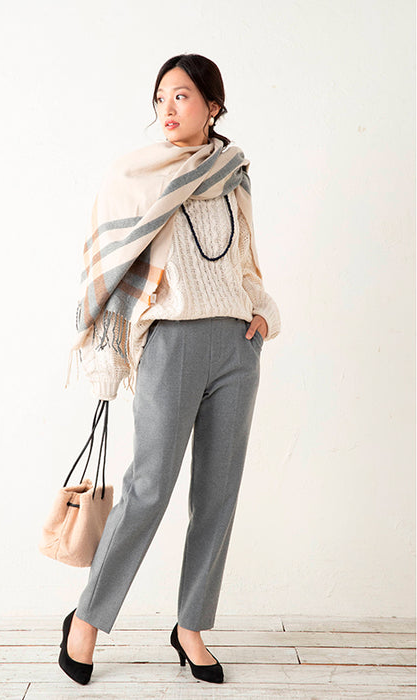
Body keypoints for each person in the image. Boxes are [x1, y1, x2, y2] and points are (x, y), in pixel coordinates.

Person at [58, 53, 281, 686]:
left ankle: (191, 627)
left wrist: (262, 315)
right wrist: (109, 349)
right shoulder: (137, 177)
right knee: (149, 488)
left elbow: (244, 261)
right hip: (170, 344)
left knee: (218, 493)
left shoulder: (232, 175)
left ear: (213, 106)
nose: (167, 109)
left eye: (180, 96)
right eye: (160, 98)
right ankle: (86, 620)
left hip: (236, 347)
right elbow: (111, 264)